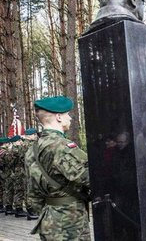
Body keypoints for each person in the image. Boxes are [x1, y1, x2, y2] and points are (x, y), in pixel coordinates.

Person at [25, 96, 91, 240]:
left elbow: (33, 194)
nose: (70, 118)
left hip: (48, 219)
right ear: (59, 117)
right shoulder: (62, 146)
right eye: (68, 114)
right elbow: (88, 178)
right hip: (69, 222)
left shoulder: (32, 149)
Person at [22, 128, 39, 220]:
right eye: (35, 134)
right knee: (32, 189)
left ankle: (30, 211)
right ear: (31, 135)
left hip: (26, 170)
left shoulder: (22, 145)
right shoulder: (32, 145)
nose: (36, 136)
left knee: (28, 189)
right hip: (32, 169)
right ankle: (32, 211)